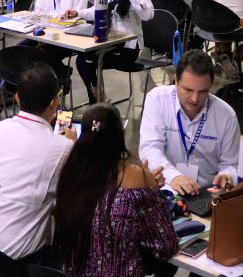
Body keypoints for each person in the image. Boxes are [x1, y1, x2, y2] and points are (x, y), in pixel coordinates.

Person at [0, 62, 75, 261]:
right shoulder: (61, 148)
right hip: (12, 266)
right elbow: (78, 195)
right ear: (55, 102)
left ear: (17, 97)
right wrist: (74, 147)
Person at [53, 102, 176, 277]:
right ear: (120, 135)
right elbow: (166, 245)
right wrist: (152, 191)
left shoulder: (70, 173)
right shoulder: (135, 177)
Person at [138, 49, 242, 195]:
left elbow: (231, 163)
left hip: (207, 193)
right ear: (176, 82)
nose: (194, 98)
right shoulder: (157, 100)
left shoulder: (226, 116)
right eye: (188, 90)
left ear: (211, 85)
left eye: (203, 91)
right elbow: (150, 148)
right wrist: (174, 176)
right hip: (168, 188)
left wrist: (227, 176)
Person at [66, 0, 153, 104]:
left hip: (129, 47)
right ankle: (98, 99)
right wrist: (78, 13)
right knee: (83, 59)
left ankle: (96, 102)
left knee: (89, 60)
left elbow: (148, 15)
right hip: (109, 41)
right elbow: (97, 10)